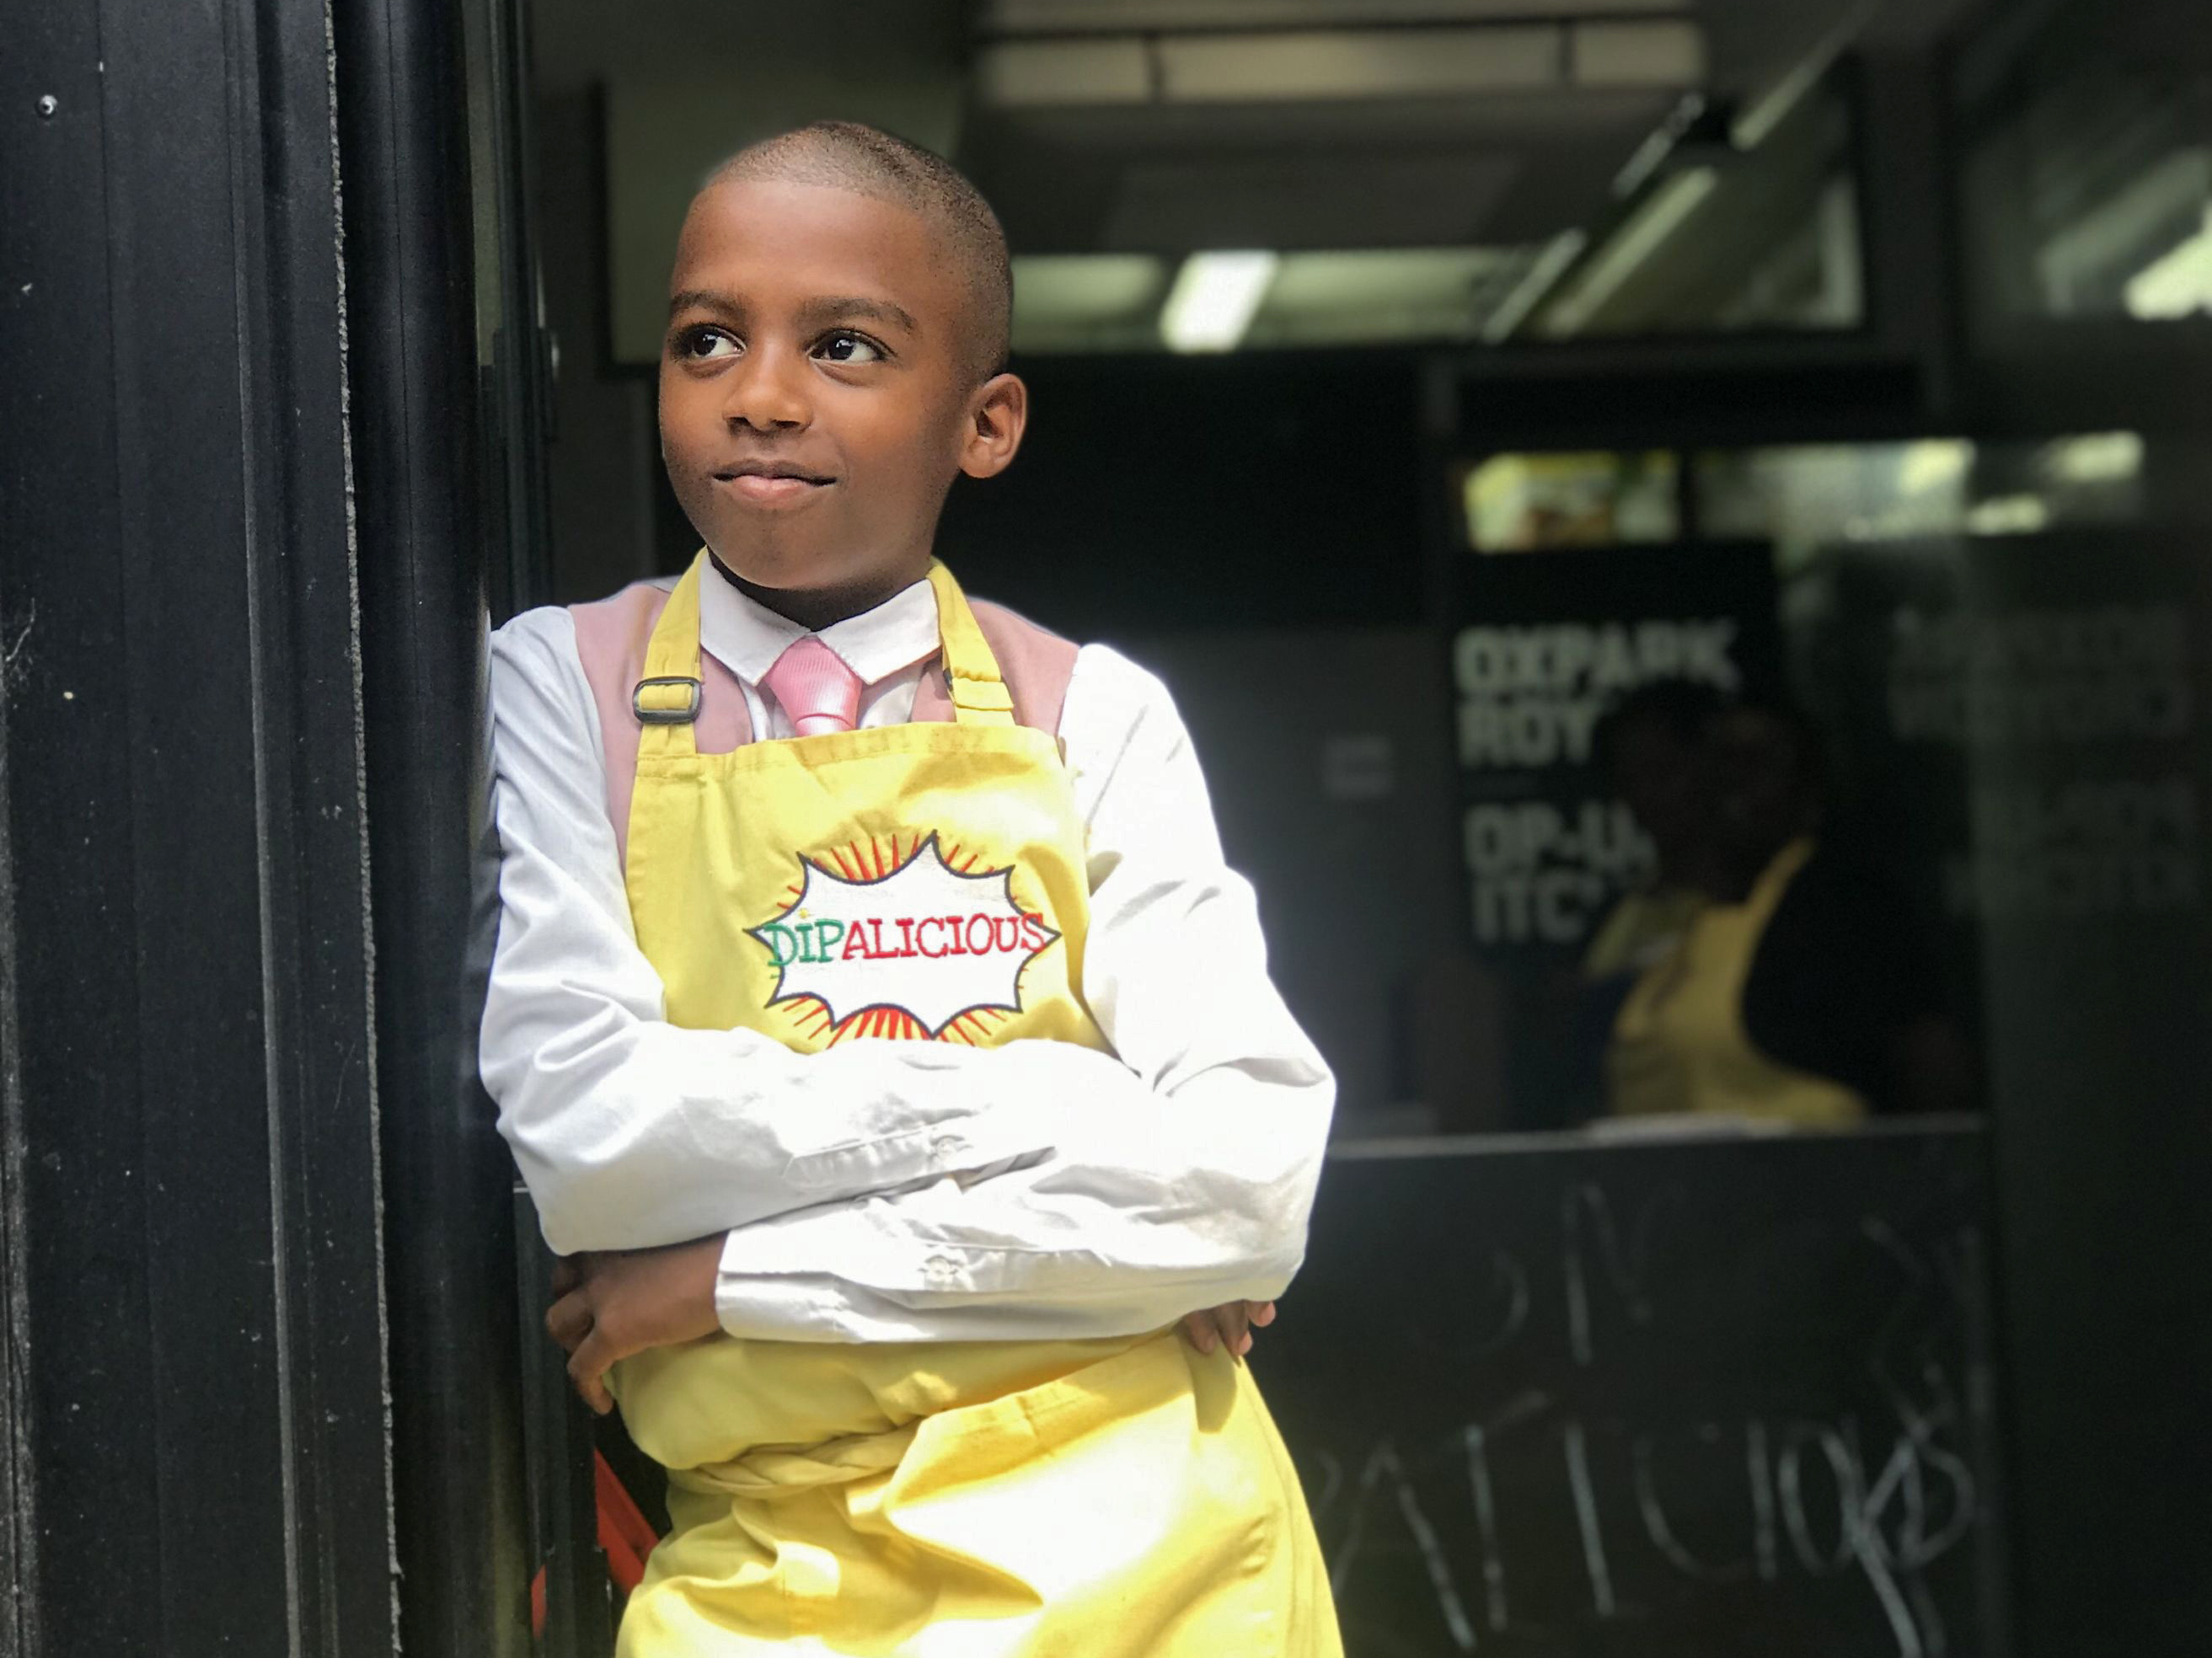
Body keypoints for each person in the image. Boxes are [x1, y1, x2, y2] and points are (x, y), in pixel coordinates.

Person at [479, 120, 1341, 1655]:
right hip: (765, 1570)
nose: (760, 390)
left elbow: (1244, 1187)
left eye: (846, 345)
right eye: (706, 337)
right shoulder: (566, 683)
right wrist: (1069, 1118)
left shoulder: (1097, 711)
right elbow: (592, 1142)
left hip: (1169, 1548)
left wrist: (729, 1272)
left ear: (986, 420)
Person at [1599, 691, 1977, 1125]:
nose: (1730, 784)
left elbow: (1930, 1062)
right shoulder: (1692, 911)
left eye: (1755, 763)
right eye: (1718, 762)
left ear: (1809, 783)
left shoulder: (1841, 904)